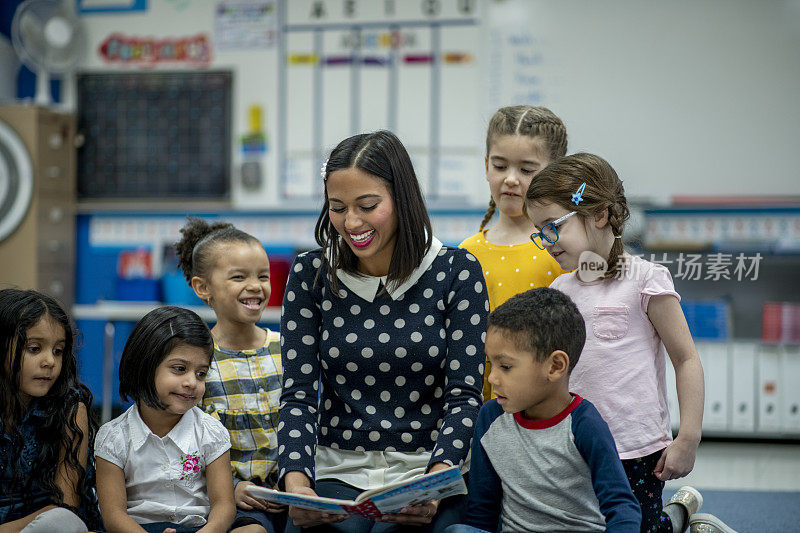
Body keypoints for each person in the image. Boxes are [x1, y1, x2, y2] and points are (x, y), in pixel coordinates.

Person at [278, 130, 488, 532]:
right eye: (337, 207)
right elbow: (299, 396)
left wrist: (435, 484)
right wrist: (298, 487)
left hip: (429, 471)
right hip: (335, 471)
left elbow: (464, 397)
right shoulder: (311, 275)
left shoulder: (457, 272)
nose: (351, 222)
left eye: (367, 206)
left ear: (402, 199)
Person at [526, 153, 734, 533]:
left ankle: (679, 516)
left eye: (552, 228)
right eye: (540, 232)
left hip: (635, 448)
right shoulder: (560, 289)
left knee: (638, 528)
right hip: (575, 446)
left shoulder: (645, 280)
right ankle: (678, 513)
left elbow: (686, 359)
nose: (547, 243)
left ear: (600, 215)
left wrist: (688, 436)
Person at [450, 287, 641, 532]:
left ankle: (679, 513)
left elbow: (622, 508)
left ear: (555, 366)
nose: (492, 378)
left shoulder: (585, 425)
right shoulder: (490, 417)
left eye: (506, 367)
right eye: (491, 364)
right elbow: (481, 510)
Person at [175, 218, 286, 533]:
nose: (255, 286)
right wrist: (231, 488)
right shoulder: (197, 364)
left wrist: (299, 479)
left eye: (262, 276)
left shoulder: (287, 349)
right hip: (232, 500)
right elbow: (186, 446)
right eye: (239, 277)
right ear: (203, 288)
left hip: (295, 492)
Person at [459, 105, 568, 402]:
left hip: (551, 414)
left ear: (555, 173)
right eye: (500, 166)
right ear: (485, 166)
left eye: (526, 170)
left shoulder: (564, 251)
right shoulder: (466, 254)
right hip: (483, 414)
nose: (510, 179)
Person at [95, 306, 236, 533]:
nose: (192, 382)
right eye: (179, 369)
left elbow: (224, 506)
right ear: (144, 366)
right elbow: (113, 515)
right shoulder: (113, 437)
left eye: (201, 373)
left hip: (198, 528)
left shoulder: (211, 431)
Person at [0, 288, 102, 533]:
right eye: (34, 349)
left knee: (59, 521)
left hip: (49, 528)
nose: (50, 362)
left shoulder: (69, 409)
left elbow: (66, 509)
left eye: (58, 350)